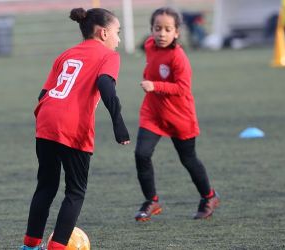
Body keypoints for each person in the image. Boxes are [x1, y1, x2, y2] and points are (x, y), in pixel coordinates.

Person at [20, 7, 130, 250]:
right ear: (103, 33)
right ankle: (58, 247)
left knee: (46, 185)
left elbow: (44, 93)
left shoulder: (67, 54)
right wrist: (118, 123)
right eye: (117, 32)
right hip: (72, 124)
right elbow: (105, 84)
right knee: (75, 191)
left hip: (46, 119)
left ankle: (29, 246)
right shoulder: (108, 56)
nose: (118, 39)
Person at [133, 7, 219, 222]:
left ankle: (209, 197)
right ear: (151, 30)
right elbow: (151, 67)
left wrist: (155, 85)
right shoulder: (149, 45)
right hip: (153, 113)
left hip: (180, 116)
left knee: (188, 160)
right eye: (157, 28)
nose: (162, 33)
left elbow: (182, 88)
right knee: (141, 154)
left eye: (167, 29)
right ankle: (151, 200)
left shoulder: (178, 57)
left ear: (177, 32)